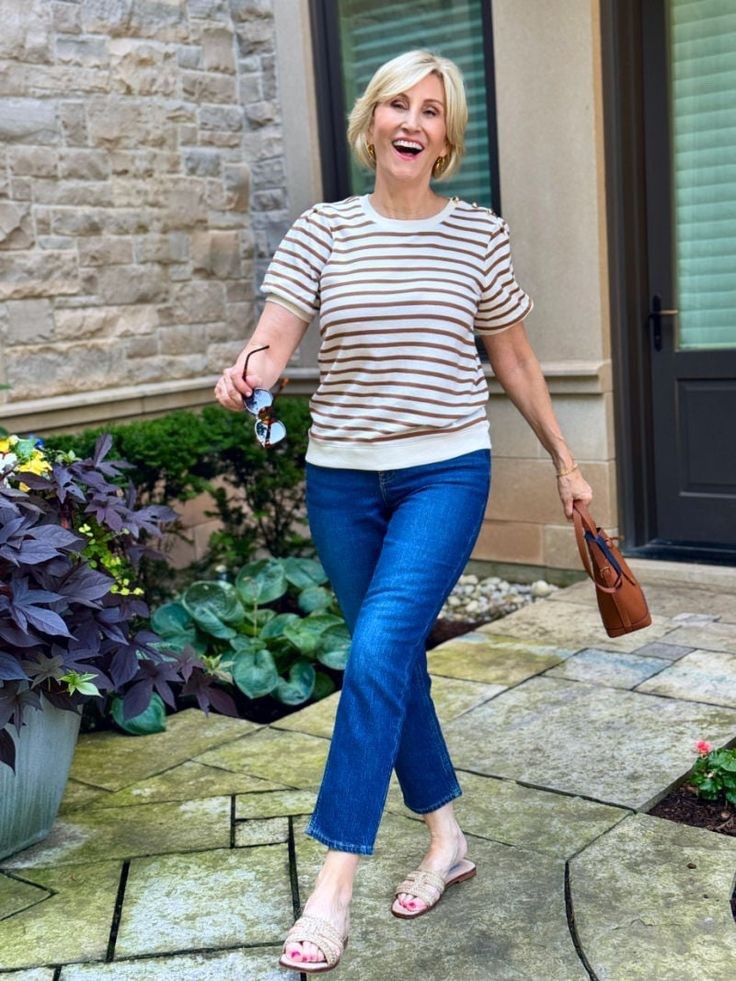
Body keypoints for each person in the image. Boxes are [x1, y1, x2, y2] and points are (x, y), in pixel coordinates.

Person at [214, 49, 593, 975]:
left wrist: (567, 460)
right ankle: (448, 838)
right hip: (340, 480)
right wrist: (248, 376)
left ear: (446, 135)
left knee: (379, 650)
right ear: (371, 122)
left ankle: (331, 884)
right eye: (395, 104)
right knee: (400, 669)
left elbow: (516, 360)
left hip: (443, 475)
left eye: (430, 108)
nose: (411, 121)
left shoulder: (476, 236)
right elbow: (273, 342)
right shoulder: (321, 232)